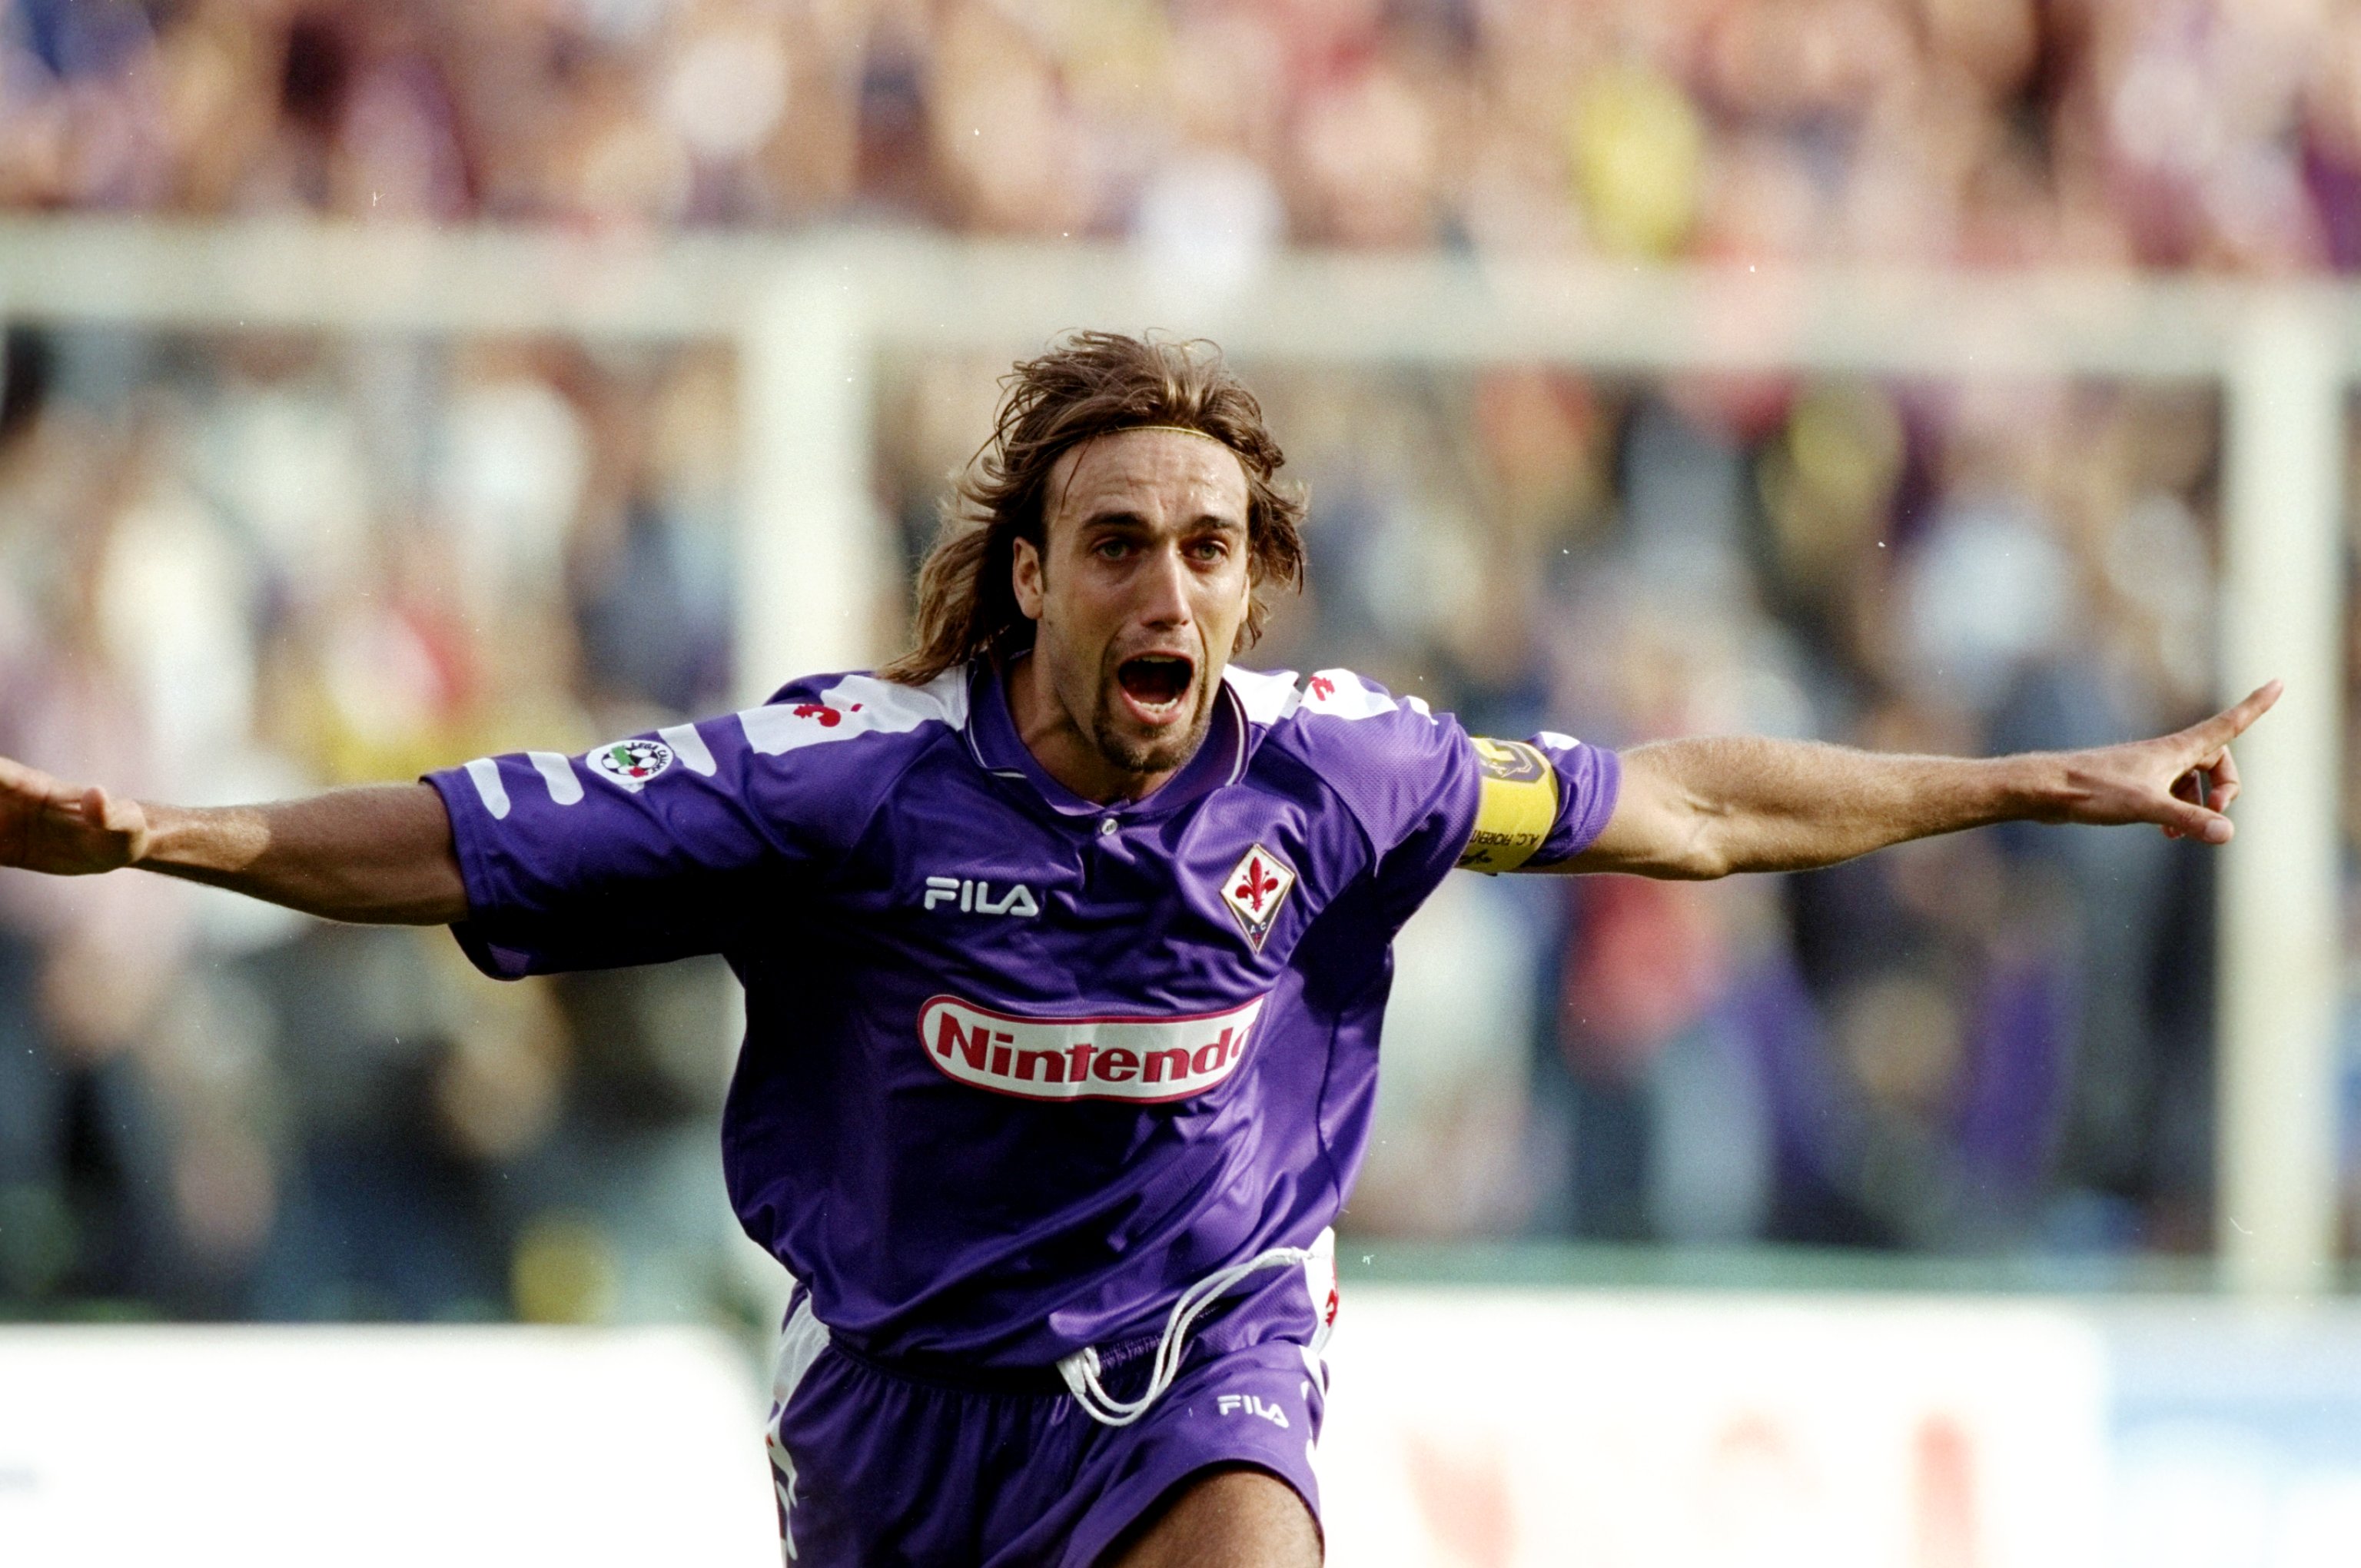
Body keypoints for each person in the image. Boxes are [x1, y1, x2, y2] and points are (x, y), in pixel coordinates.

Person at [0, 332, 2276, 1567]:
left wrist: (2032, 780)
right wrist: (159, 835)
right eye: (1117, 548)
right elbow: (476, 843)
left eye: (1206, 549)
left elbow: (1674, 803)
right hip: (901, 1407)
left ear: (1255, 582)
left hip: (1197, 1361)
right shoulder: (849, 785)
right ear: (1032, 581)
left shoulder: (1351, 773)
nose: (1166, 591)